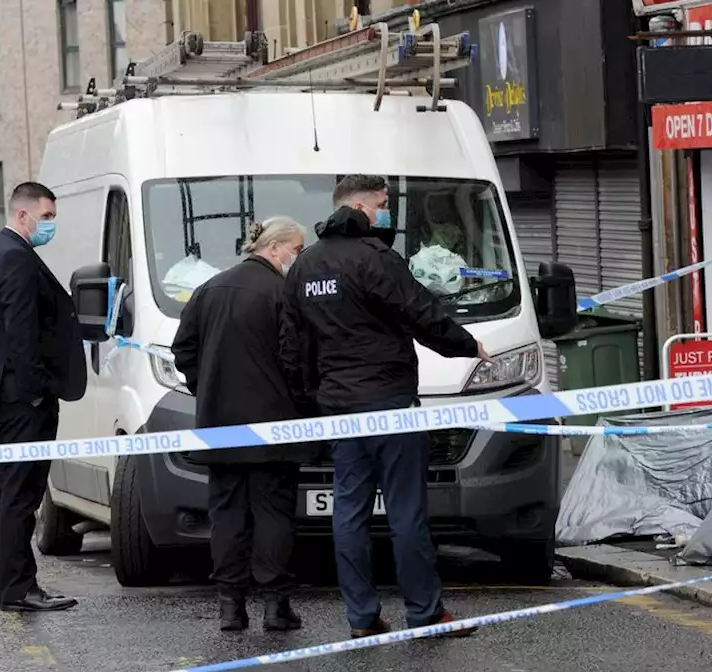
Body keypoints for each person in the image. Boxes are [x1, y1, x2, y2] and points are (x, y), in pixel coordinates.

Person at [280, 175, 491, 639]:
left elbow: (292, 345)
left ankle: (361, 618)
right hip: (389, 403)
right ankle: (426, 613)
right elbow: (420, 314)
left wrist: (310, 400)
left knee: (349, 513)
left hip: (339, 407)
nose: (385, 212)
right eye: (381, 204)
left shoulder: (305, 266)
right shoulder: (375, 259)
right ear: (359, 207)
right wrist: (468, 344)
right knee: (406, 513)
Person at [171, 216, 311, 632]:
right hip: (275, 427)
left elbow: (184, 351)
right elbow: (296, 358)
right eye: (297, 250)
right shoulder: (283, 293)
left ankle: (231, 607)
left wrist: (208, 389)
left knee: (228, 517)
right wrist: (302, 404)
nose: (298, 259)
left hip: (220, 426)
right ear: (274, 248)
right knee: (273, 516)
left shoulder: (209, 289)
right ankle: (275, 606)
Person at [0, 182, 87, 612]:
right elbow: (22, 334)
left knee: (15, 493)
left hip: (8, 392)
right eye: (47, 216)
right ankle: (19, 589)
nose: (50, 224)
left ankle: (17, 587)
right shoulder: (15, 257)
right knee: (20, 494)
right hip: (21, 397)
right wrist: (37, 393)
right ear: (24, 215)